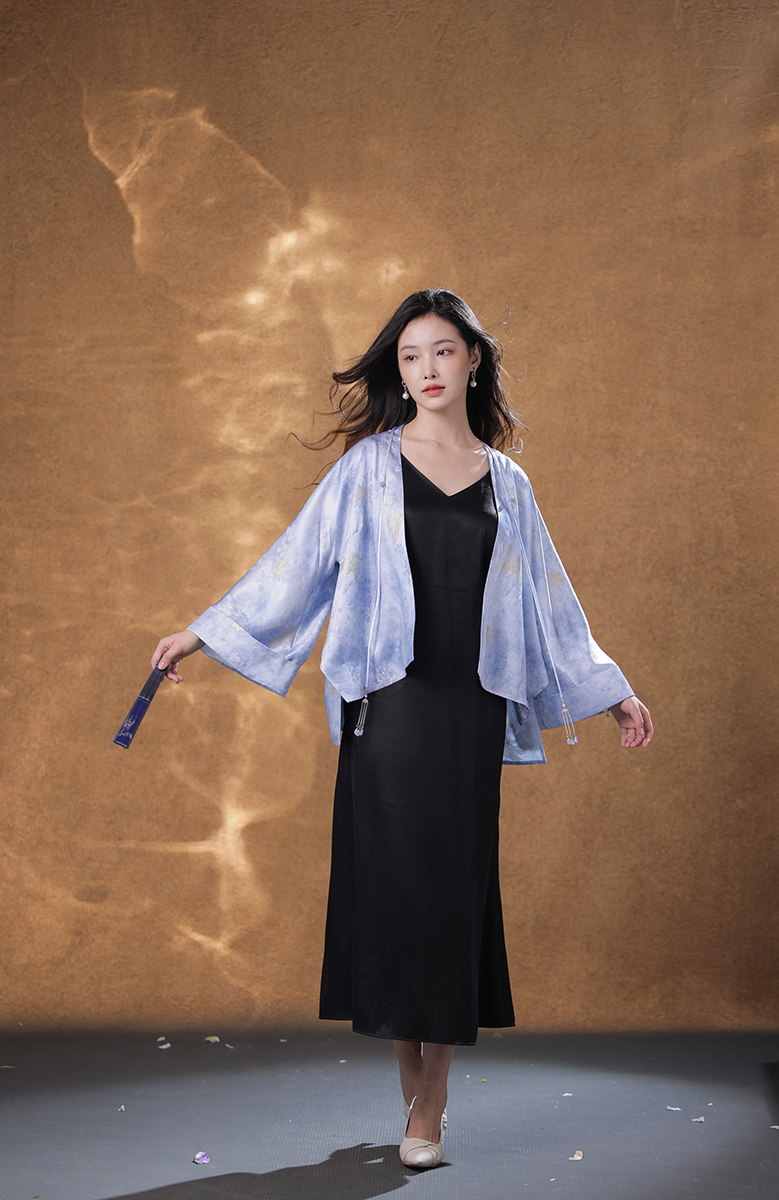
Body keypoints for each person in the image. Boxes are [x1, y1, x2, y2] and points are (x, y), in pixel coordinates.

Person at [152, 288, 653, 1170]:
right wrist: (205, 631)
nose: (426, 370)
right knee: (393, 892)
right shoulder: (368, 469)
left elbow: (550, 602)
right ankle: (410, 1073)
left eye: (443, 351)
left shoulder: (508, 483)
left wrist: (611, 690)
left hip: (470, 710)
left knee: (453, 893)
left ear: (473, 361)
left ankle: (433, 1097)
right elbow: (296, 563)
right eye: (411, 355)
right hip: (388, 708)